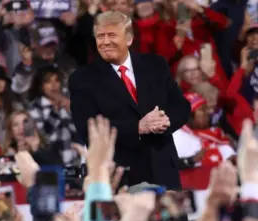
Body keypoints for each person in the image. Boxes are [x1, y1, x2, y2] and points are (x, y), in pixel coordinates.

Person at [69, 11, 190, 189]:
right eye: (100, 36)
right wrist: (138, 127)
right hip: (121, 177)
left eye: (112, 35)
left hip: (164, 170)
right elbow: (88, 129)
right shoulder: (82, 79)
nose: (105, 42)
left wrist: (165, 120)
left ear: (129, 38)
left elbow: (181, 107)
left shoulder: (156, 65)